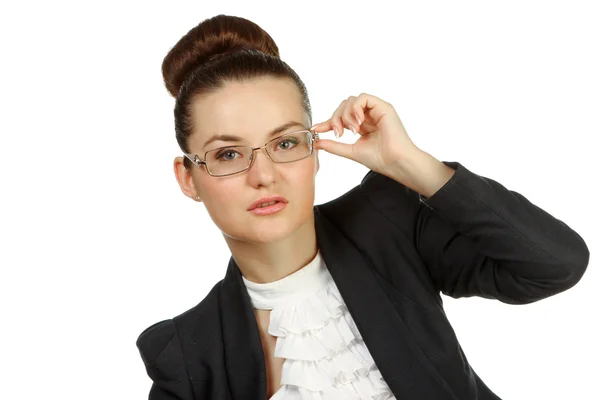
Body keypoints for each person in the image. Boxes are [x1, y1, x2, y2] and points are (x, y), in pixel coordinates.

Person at [136, 14, 590, 400]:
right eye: (228, 154)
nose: (264, 175)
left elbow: (555, 265)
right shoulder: (185, 354)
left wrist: (412, 165)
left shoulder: (384, 221)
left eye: (287, 142)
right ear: (188, 178)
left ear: (315, 152)